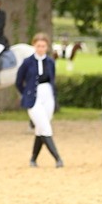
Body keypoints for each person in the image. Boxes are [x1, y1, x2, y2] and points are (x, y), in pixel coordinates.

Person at [16, 33, 62, 167]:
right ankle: (57, 158)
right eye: (38, 46)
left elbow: (52, 78)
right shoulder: (27, 62)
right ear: (34, 46)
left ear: (47, 47)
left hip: (47, 95)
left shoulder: (50, 62)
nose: (41, 49)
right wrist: (26, 94)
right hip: (34, 96)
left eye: (43, 46)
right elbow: (19, 81)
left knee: (40, 129)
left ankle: (33, 159)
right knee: (45, 128)